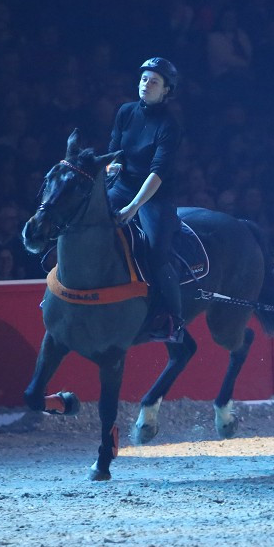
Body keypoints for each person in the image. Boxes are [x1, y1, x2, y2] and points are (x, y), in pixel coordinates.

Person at [105, 57, 185, 342]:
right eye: (143, 79)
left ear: (166, 90)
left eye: (154, 82)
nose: (146, 85)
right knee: (87, 222)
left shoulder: (169, 125)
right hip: (123, 186)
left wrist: (133, 207)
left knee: (156, 249)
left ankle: (173, 320)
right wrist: (112, 167)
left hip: (154, 195)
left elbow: (158, 172)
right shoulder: (126, 111)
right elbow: (114, 150)